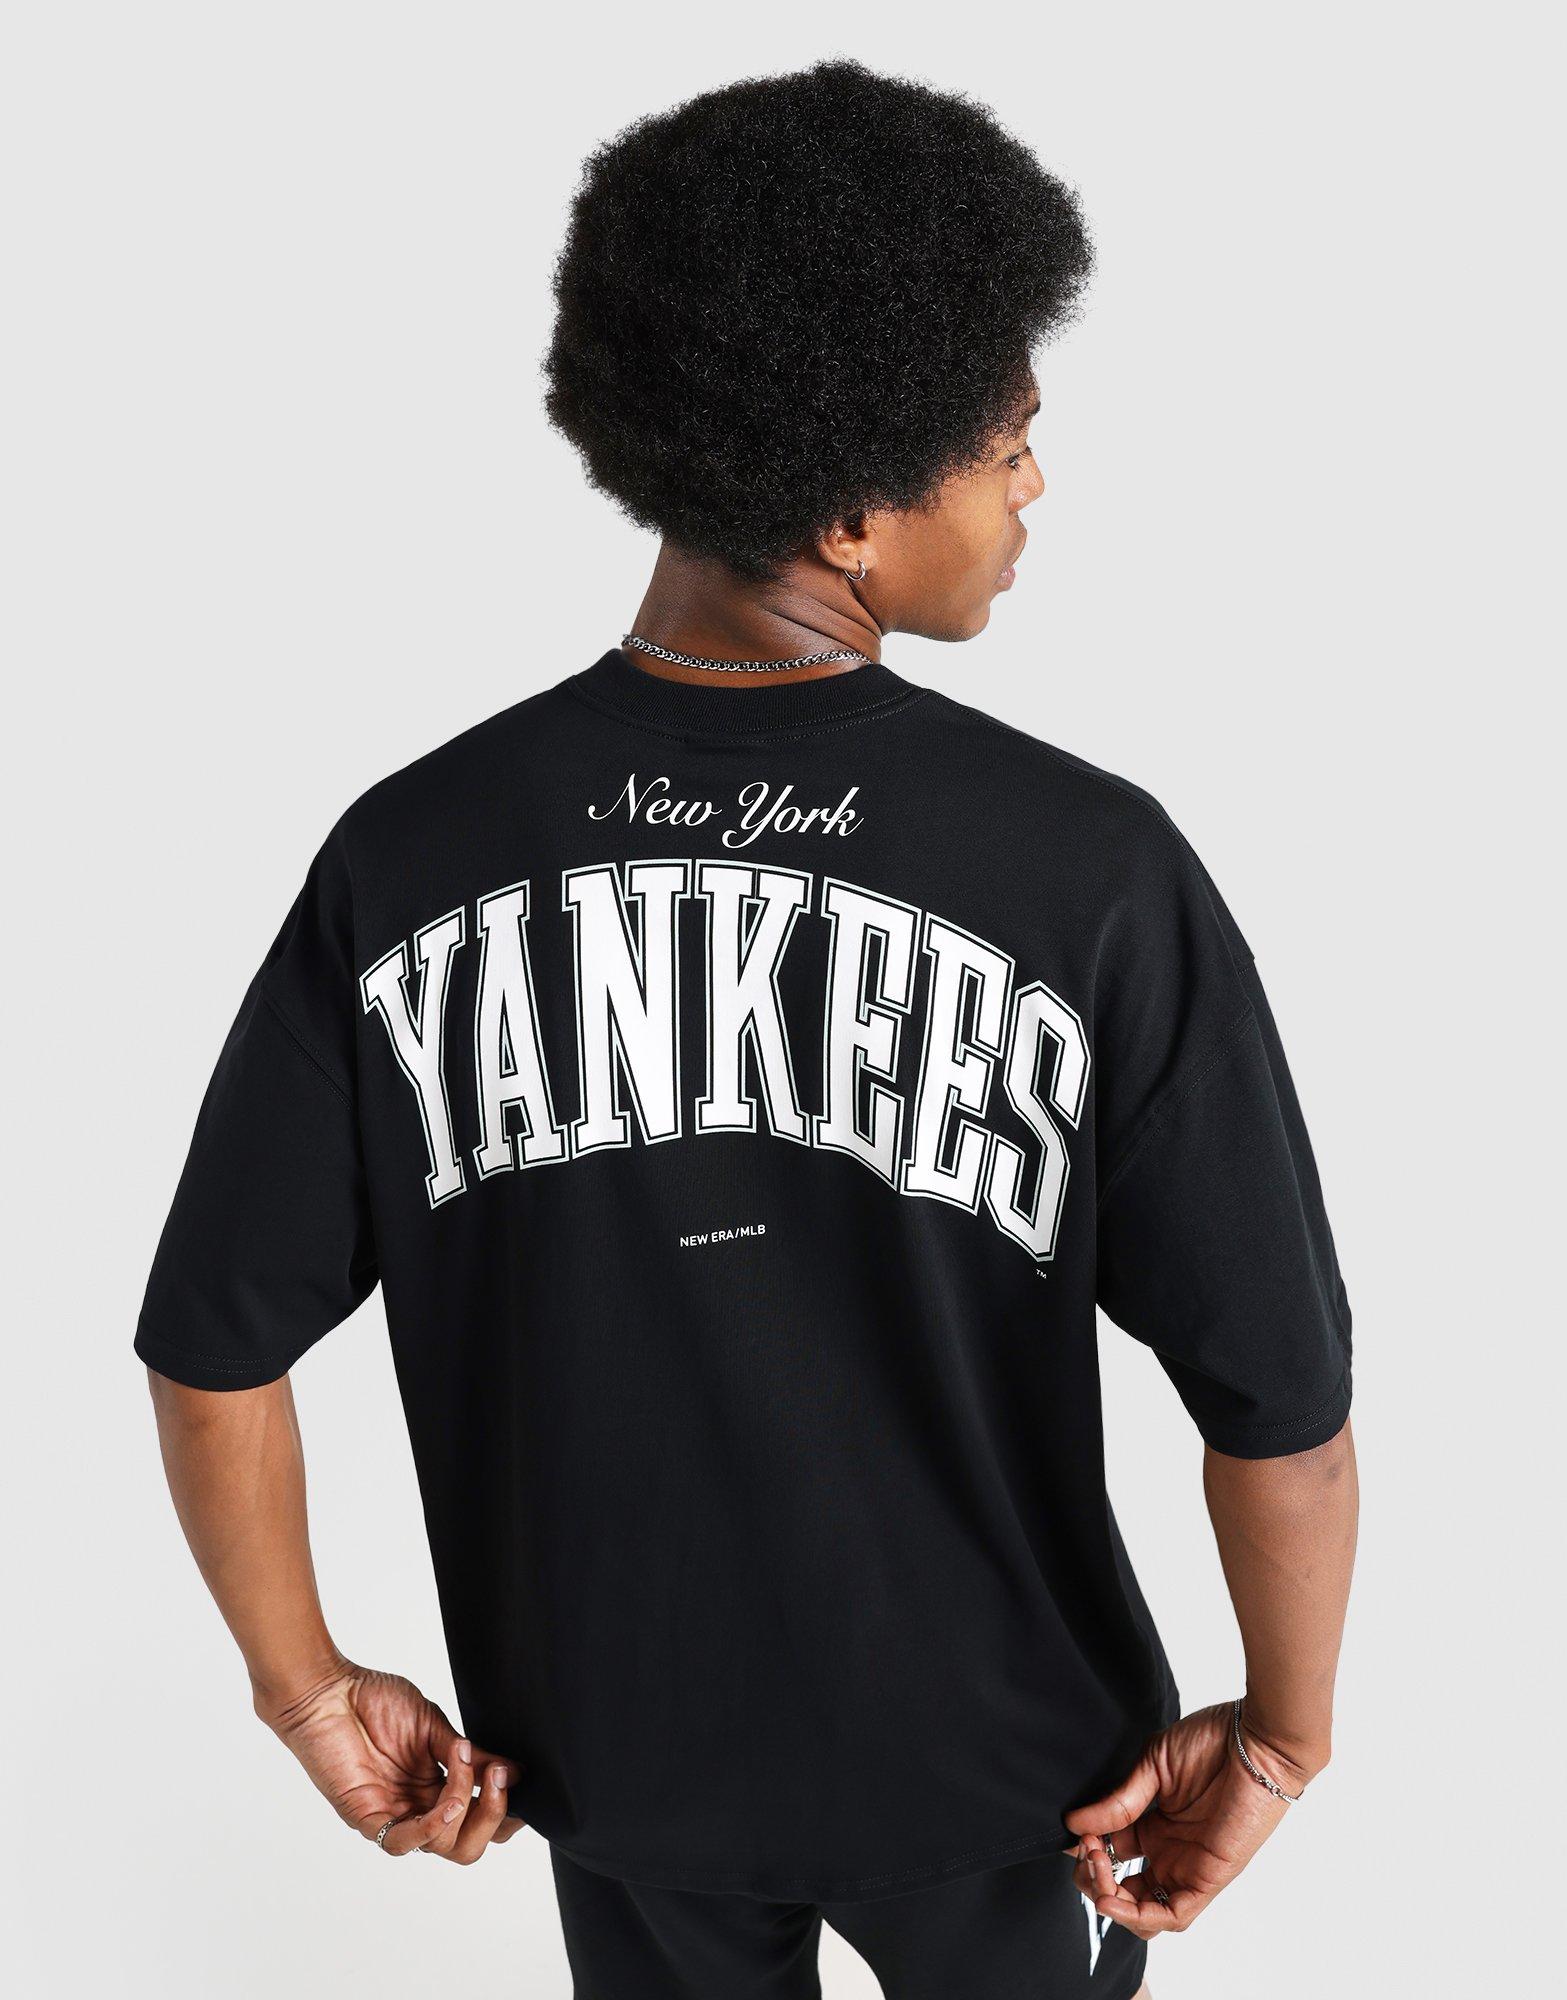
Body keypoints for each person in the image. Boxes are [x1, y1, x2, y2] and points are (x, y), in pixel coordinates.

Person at [138, 59, 1357, 2000]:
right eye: (1010, 442)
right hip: (1023, 1780)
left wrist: (305, 1686)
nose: (1033, 490)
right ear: (857, 511)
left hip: (620, 1768)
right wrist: (1282, 1732)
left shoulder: (412, 852)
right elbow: (1278, 1402)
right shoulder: (1088, 866)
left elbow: (213, 1352)